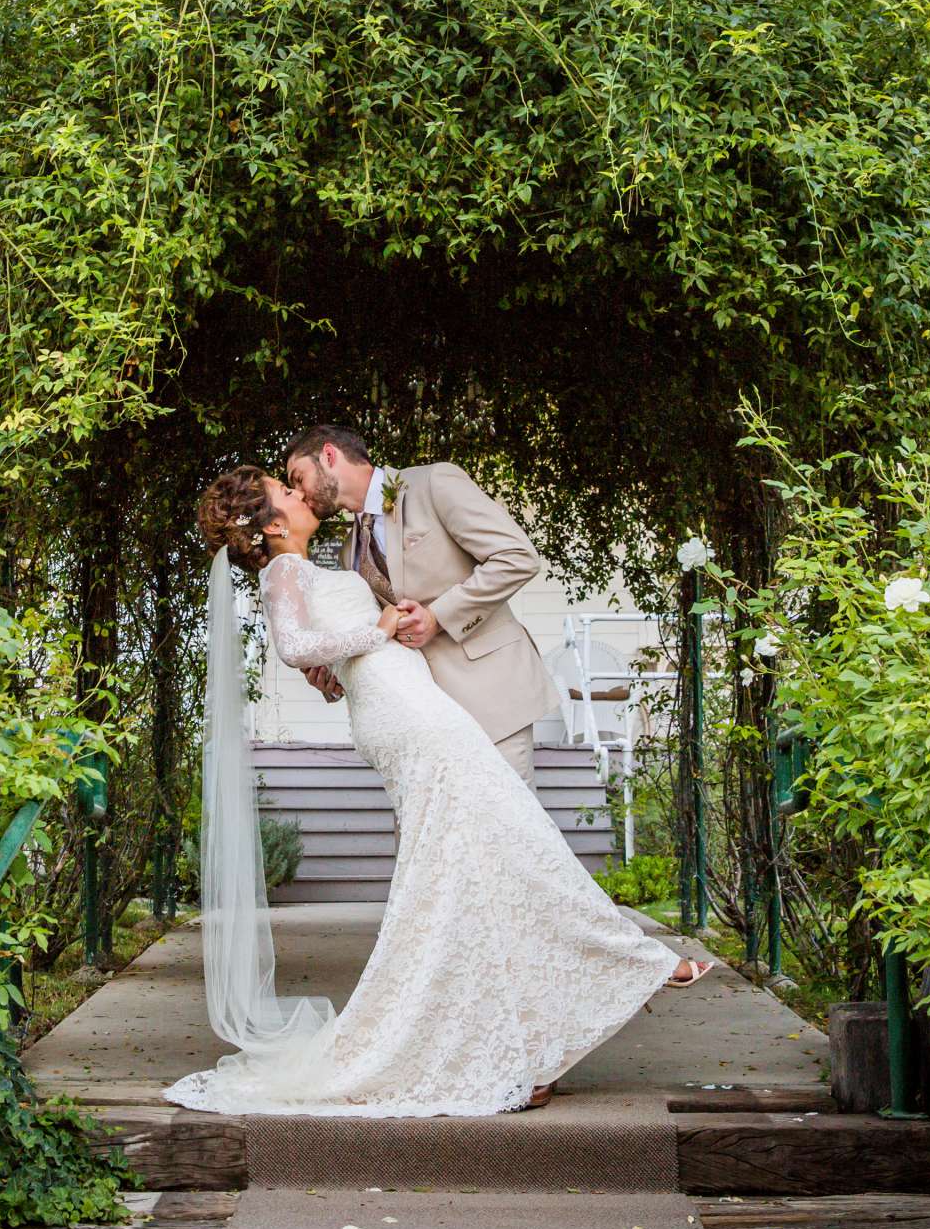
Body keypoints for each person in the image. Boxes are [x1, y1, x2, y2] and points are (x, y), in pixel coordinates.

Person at [162, 465, 711, 1119]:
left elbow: (324, 650)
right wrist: (380, 631)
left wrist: (361, 647)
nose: (300, 494)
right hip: (409, 717)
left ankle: (532, 1038)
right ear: (274, 524)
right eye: (286, 492)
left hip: (414, 706)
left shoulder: (318, 565)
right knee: (514, 839)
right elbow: (293, 646)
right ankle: (638, 961)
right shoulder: (286, 571)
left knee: (477, 863)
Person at [281, 425, 561, 787]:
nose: (299, 494)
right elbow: (381, 634)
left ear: (329, 456)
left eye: (298, 477)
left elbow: (517, 557)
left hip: (493, 701)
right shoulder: (351, 549)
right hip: (426, 722)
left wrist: (438, 617)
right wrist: (335, 677)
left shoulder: (433, 483)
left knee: (509, 837)